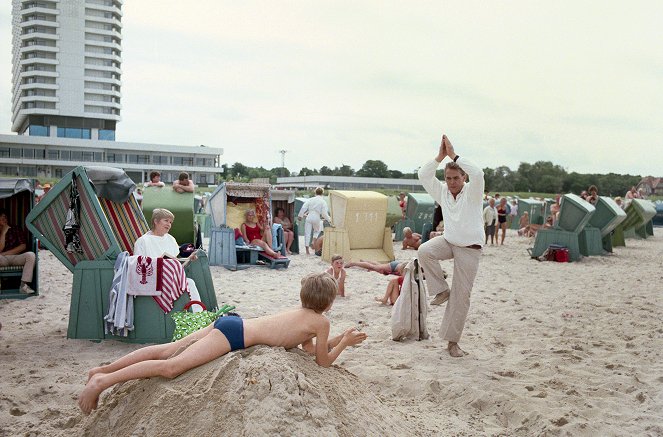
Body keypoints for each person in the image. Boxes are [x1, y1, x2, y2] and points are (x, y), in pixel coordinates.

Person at [78, 272, 368, 414]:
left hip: (232, 322)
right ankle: (101, 382)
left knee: (167, 349)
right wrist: (344, 345)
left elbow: (308, 348)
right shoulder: (321, 321)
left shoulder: (306, 316)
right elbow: (322, 361)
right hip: (234, 336)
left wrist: (341, 338)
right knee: (171, 367)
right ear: (328, 303)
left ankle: (102, 370)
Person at [417, 134, 484, 358]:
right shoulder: (443, 191)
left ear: (463, 177)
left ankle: (452, 343)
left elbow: (479, 173)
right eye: (448, 178)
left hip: (470, 248)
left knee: (461, 297)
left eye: (456, 178)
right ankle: (440, 289)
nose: (452, 182)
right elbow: (423, 175)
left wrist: (454, 154)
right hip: (449, 240)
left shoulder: (473, 191)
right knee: (424, 250)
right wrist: (439, 157)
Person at [133, 208, 202, 310]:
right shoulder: (143, 241)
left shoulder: (170, 239)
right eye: (166, 221)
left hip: (172, 277)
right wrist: (158, 263)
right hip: (153, 280)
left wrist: (188, 259)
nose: (169, 224)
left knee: (190, 282)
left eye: (170, 222)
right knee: (188, 283)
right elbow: (138, 265)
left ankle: (198, 315)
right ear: (156, 221)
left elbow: (176, 262)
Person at [0, 208, 36, 294]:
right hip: (2, 259)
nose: (3, 219)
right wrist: (3, 233)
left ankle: (23, 286)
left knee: (31, 255)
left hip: (16, 257)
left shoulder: (15, 228)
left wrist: (5, 253)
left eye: (4, 217)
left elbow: (23, 246)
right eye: (1, 218)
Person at [298, 188, 332, 255]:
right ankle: (313, 241)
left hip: (309, 216)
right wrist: (329, 219)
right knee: (317, 231)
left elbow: (303, 207)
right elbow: (324, 214)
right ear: (322, 193)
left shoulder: (310, 199)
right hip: (316, 217)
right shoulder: (323, 201)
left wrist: (300, 216)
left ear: (315, 192)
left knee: (307, 233)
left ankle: (307, 250)